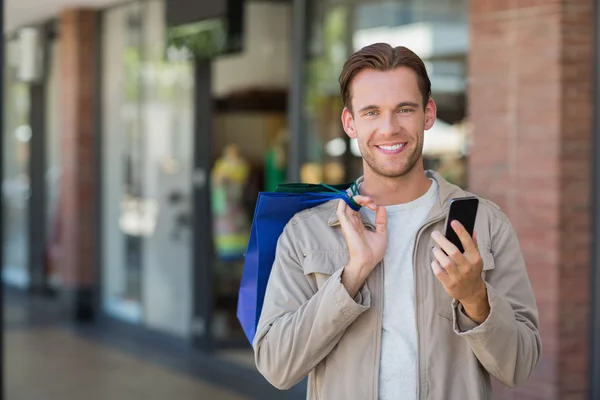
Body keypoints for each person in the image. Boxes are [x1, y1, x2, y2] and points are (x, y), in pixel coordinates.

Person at [253, 43, 541, 400]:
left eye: (404, 109)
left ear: (428, 114)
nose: (389, 128)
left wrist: (475, 300)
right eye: (371, 112)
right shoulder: (306, 232)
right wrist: (351, 276)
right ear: (350, 123)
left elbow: (521, 365)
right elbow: (276, 367)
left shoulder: (486, 223)